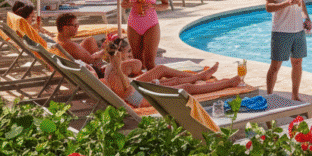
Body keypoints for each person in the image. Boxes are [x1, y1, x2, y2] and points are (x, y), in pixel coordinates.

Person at [101, 37, 239, 109]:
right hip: (139, 99)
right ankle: (228, 83)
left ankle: (201, 77)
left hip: (137, 92)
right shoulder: (115, 71)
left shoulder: (110, 67)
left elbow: (128, 86)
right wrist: (152, 83)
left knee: (172, 81)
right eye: (122, 53)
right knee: (186, 88)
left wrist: (154, 83)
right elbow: (126, 90)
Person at [265, 0, 312, 101]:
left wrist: (307, 18)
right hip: (281, 30)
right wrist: (287, 3)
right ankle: (269, 96)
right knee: (275, 66)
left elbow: (302, 3)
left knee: (297, 63)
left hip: (298, 30)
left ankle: (295, 96)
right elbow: (268, 7)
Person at [122, 0, 171, 70]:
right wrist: (132, 4)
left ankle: (155, 84)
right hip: (133, 24)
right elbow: (123, 3)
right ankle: (141, 84)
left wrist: (152, 6)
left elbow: (166, 5)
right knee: (137, 61)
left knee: (149, 62)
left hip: (151, 24)